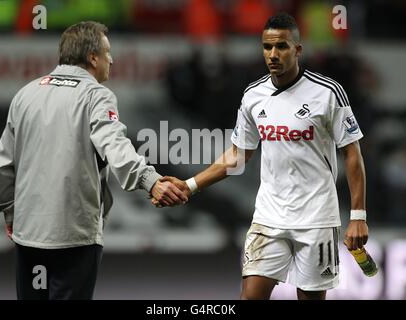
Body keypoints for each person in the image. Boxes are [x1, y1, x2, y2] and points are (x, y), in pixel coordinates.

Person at [154, 13, 369, 300]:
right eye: (267, 47)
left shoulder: (328, 93)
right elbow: (237, 155)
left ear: (298, 50)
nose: (273, 54)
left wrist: (357, 216)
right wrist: (190, 185)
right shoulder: (254, 95)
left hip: (317, 218)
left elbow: (352, 154)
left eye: (281, 46)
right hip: (269, 217)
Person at [0, 21, 187, 300]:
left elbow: (3, 168)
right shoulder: (96, 96)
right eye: (107, 52)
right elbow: (115, 145)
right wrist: (150, 180)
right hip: (74, 237)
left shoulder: (26, 94)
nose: (112, 59)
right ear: (92, 57)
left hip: (28, 234)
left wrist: (11, 213)